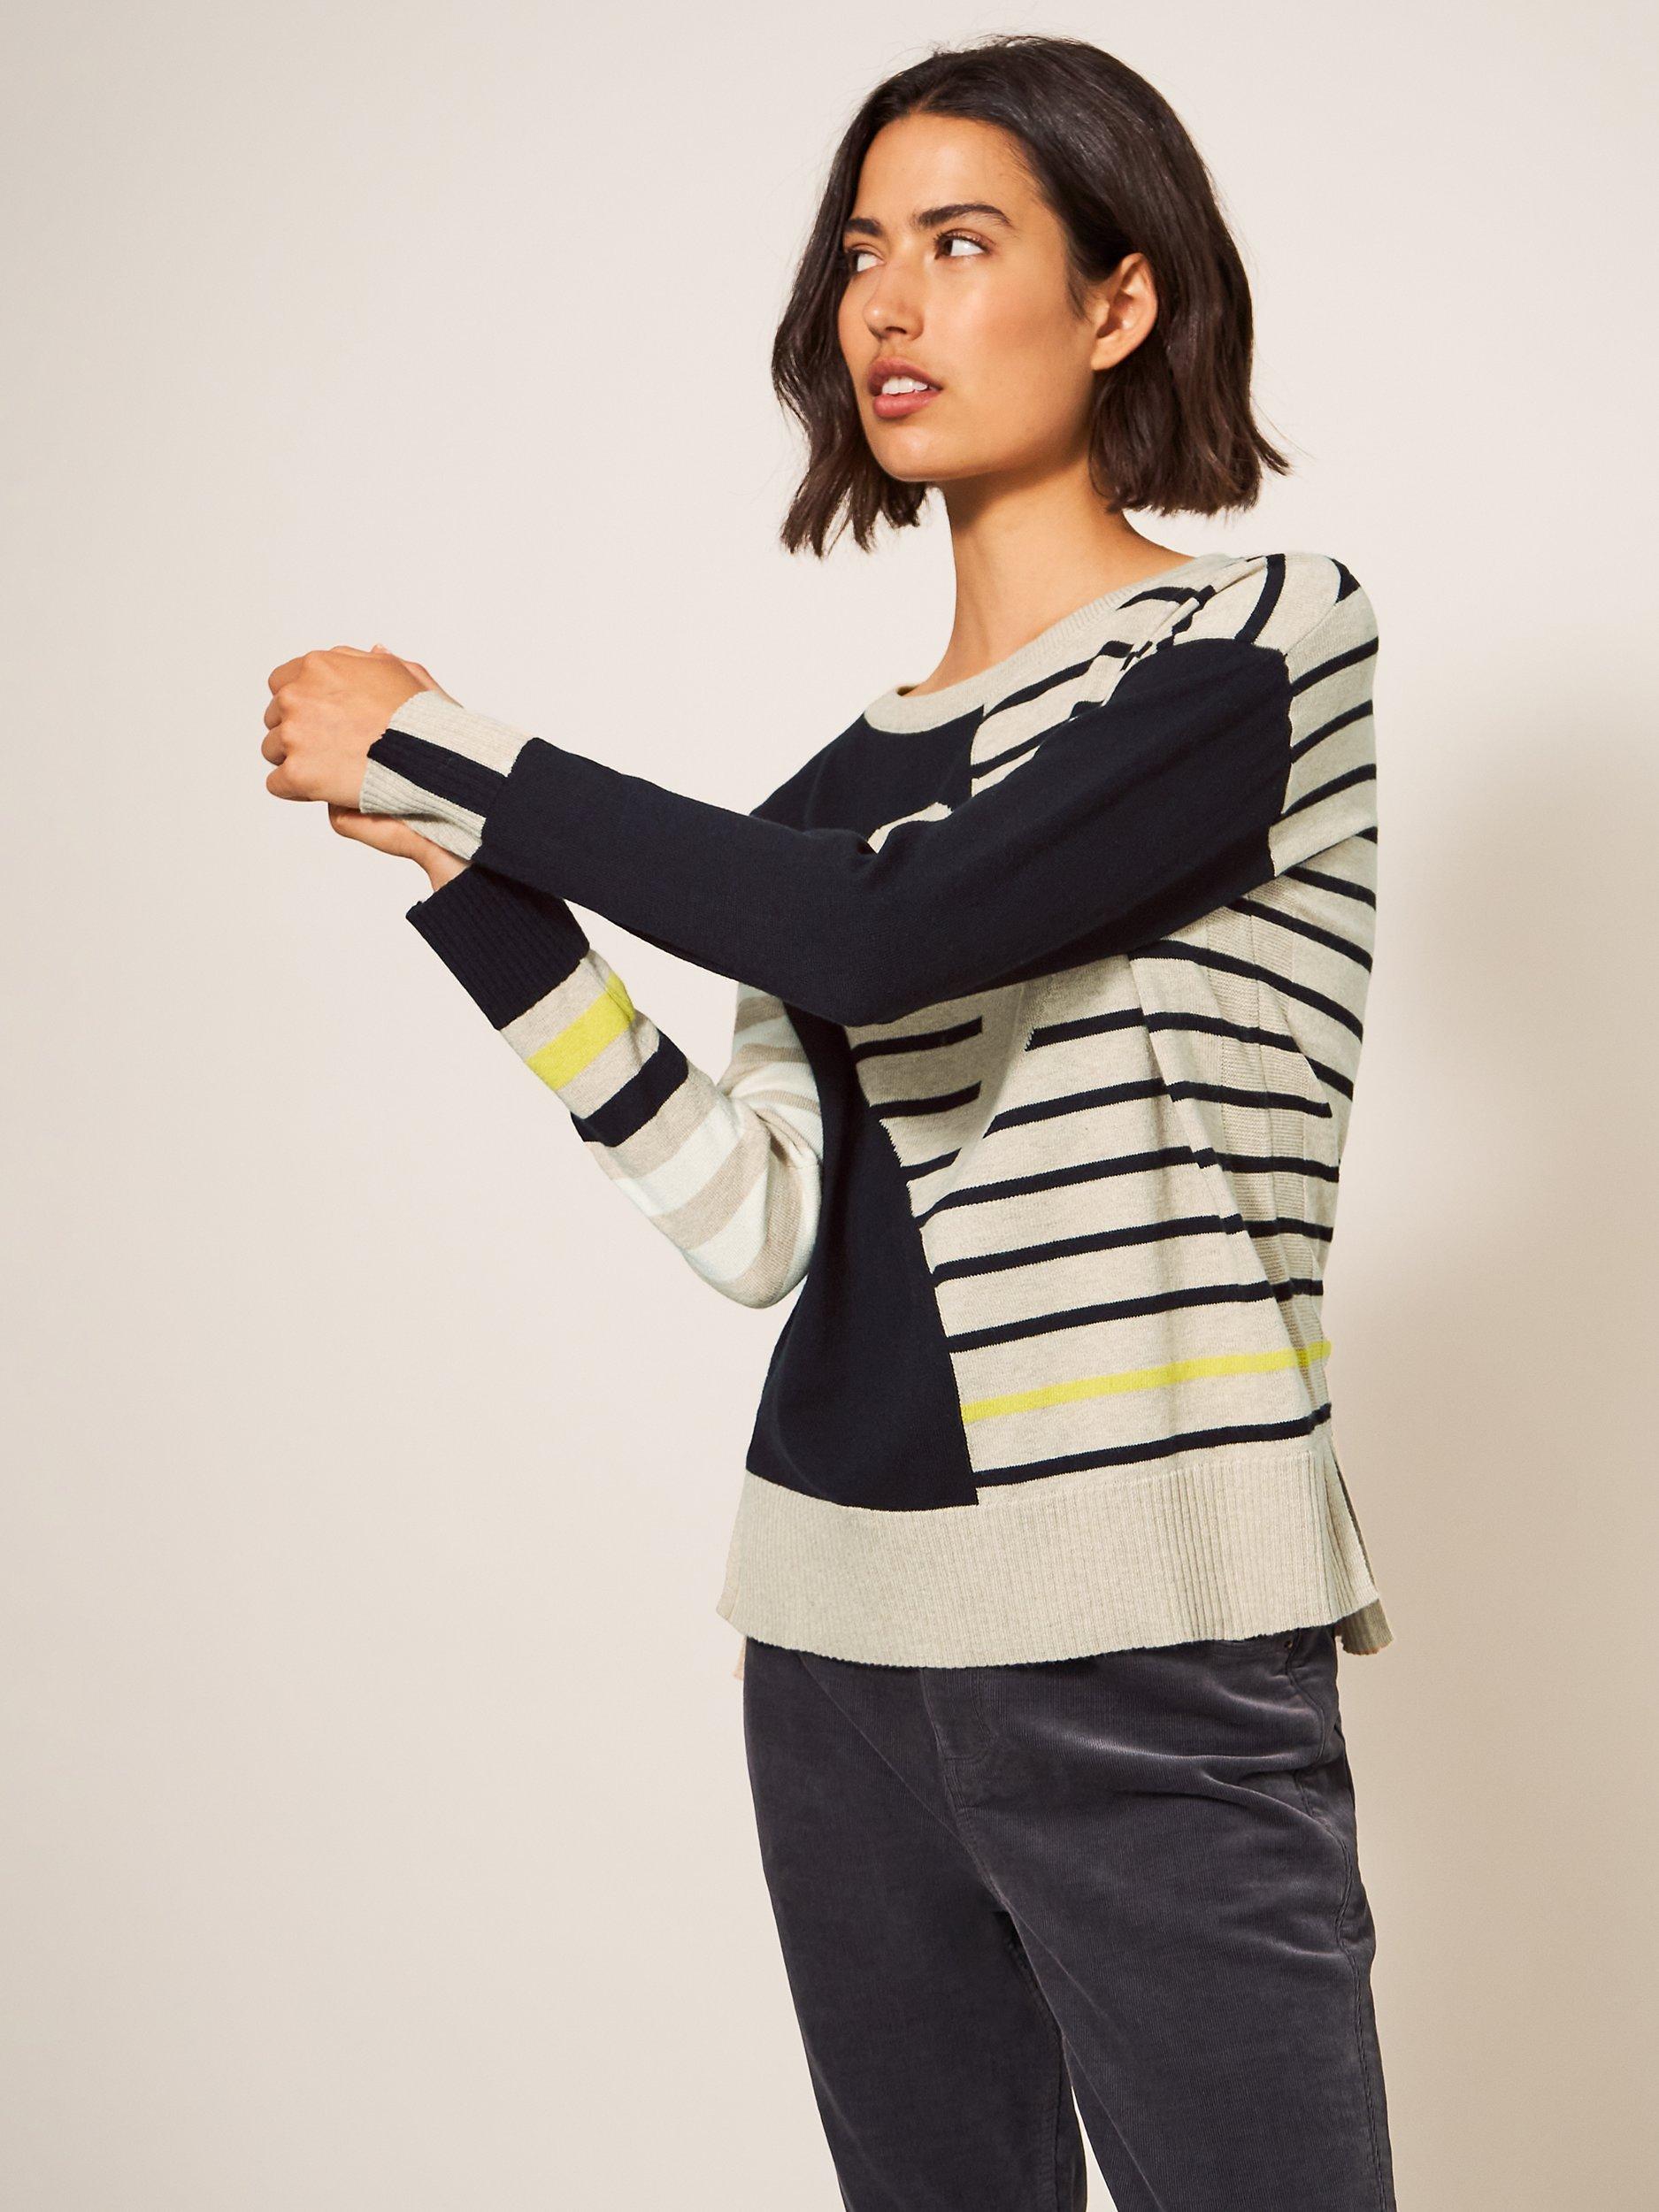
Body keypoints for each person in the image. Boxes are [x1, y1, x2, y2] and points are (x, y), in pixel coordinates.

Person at [261, 32, 1398, 2209]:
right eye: (862, 250)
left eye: (959, 243)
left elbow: (891, 934)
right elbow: (758, 1223)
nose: (886, 301)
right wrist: (482, 894)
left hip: (1143, 1635)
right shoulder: (824, 796)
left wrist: (456, 751)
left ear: (1117, 299)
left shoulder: (1256, 643)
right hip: (833, 1645)